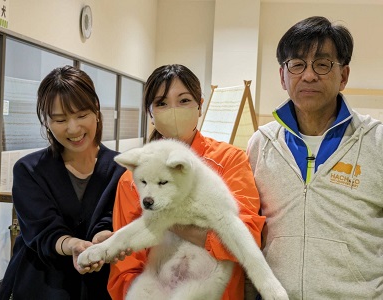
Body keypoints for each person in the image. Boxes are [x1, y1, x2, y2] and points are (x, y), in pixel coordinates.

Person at [247, 16, 383, 299]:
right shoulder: (261, 144)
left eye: (322, 64)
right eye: (297, 64)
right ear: (283, 76)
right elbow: (250, 234)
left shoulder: (376, 142)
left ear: (343, 75)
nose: (308, 75)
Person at [107, 64, 265, 299]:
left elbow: (248, 236)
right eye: (161, 103)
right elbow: (125, 265)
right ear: (150, 113)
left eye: (183, 100)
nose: (173, 110)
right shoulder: (133, 178)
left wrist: (165, 220)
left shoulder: (229, 160)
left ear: (200, 106)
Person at [0, 65, 126, 300]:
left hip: (98, 288)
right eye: (60, 119)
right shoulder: (29, 170)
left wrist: (103, 238)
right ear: (46, 121)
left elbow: (110, 217)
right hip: (41, 286)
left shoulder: (121, 169)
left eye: (81, 115)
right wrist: (73, 245)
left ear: (96, 110)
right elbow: (43, 229)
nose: (73, 128)